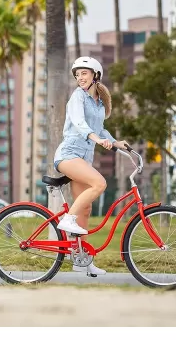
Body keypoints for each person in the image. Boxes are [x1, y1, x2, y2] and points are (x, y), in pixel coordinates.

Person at [53, 56, 129, 274]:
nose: (80, 78)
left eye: (84, 73)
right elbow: (79, 122)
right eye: (77, 75)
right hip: (68, 155)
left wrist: (115, 142)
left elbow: (100, 129)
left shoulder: (98, 103)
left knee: (85, 209)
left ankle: (81, 262)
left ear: (96, 75)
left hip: (83, 159)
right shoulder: (77, 97)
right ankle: (68, 219)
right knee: (99, 183)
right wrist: (97, 139)